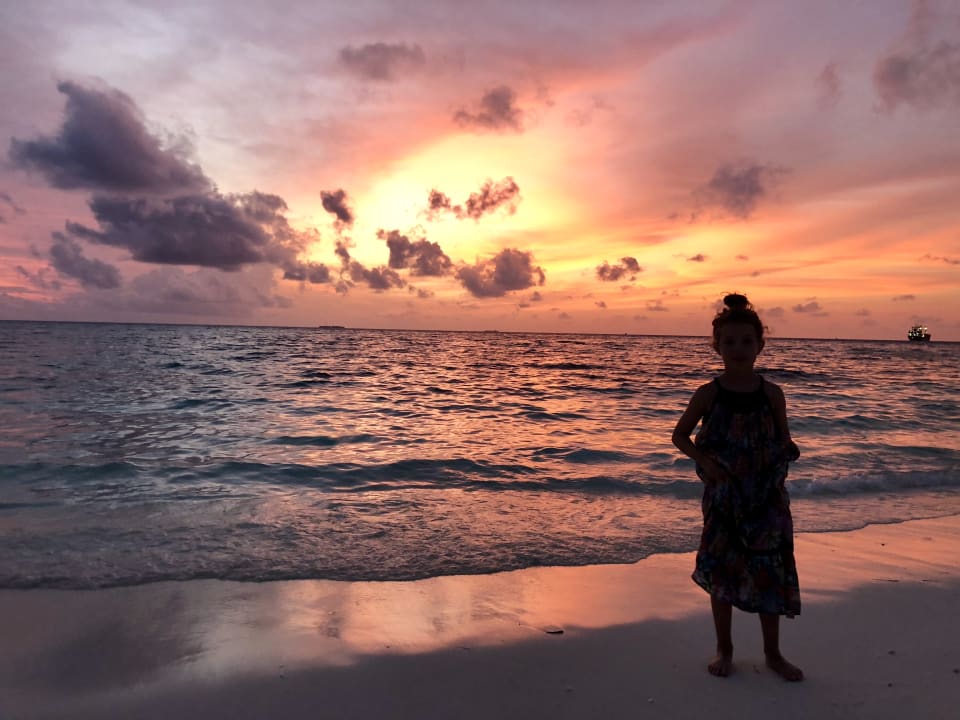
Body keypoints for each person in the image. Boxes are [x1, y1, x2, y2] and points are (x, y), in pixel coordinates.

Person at [672, 293, 804, 681]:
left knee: (770, 570)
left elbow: (784, 440)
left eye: (747, 341)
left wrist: (781, 458)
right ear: (717, 347)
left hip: (766, 498)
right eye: (729, 342)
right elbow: (680, 437)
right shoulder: (709, 393)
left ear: (760, 345)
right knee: (723, 569)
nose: (738, 348)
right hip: (724, 496)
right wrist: (708, 463)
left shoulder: (772, 393)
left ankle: (773, 654)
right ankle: (724, 648)